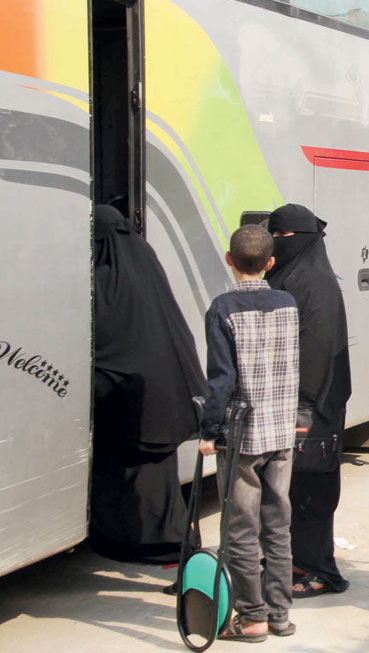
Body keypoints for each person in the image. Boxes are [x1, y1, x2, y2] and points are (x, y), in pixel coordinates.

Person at [89, 205, 207, 563]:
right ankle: (166, 539)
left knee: (131, 478)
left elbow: (105, 338)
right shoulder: (144, 261)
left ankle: (148, 543)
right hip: (164, 389)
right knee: (157, 479)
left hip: (132, 396)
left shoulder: (106, 280)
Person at [200, 224, 299, 641]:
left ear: (229, 259)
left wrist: (209, 429)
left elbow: (221, 378)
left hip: (242, 434)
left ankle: (253, 616)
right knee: (278, 524)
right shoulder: (288, 302)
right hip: (282, 430)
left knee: (241, 526)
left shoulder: (222, 309)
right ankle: (280, 614)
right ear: (271, 263)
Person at [265, 204, 352, 598]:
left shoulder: (310, 284)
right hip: (306, 403)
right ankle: (297, 560)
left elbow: (313, 349)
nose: (277, 246)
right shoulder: (298, 275)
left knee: (311, 490)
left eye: (281, 239)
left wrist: (299, 403)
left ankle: (319, 569)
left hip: (312, 405)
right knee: (296, 489)